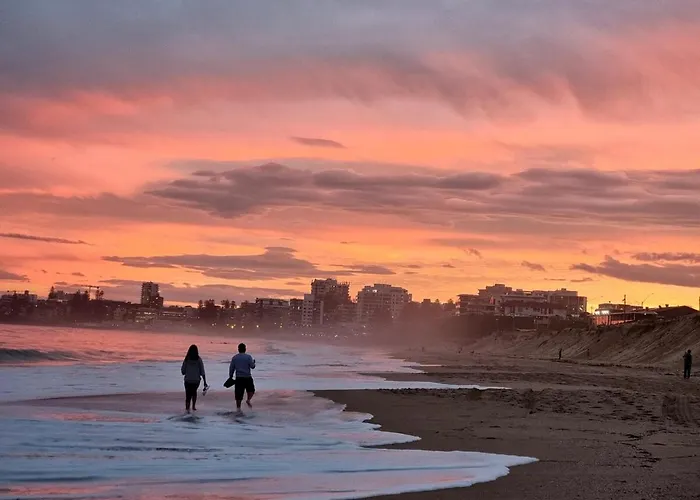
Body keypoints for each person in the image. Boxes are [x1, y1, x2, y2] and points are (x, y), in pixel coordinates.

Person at [229, 343, 256, 412]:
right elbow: (252, 366)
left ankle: (238, 409)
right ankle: (248, 400)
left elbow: (231, 368)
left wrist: (230, 376)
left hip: (239, 378)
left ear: (238, 349)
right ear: (245, 349)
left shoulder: (235, 357)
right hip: (247, 377)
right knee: (251, 390)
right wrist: (253, 362)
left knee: (238, 394)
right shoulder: (248, 357)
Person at [181, 344, 208, 413]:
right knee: (194, 392)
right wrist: (205, 382)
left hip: (188, 380)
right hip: (196, 380)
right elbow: (202, 371)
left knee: (188, 394)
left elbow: (183, 371)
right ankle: (193, 407)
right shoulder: (199, 359)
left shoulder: (187, 359)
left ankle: (187, 409)